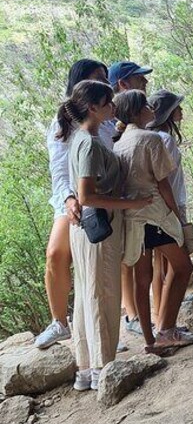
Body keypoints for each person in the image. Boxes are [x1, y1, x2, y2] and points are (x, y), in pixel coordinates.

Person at [56, 80, 152, 391]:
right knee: (103, 295)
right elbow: (86, 196)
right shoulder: (89, 144)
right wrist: (130, 204)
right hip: (100, 227)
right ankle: (102, 367)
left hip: (87, 229)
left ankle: (87, 369)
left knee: (88, 295)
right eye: (108, 102)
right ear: (93, 107)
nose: (113, 107)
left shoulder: (84, 139)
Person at [112, 90, 193, 351]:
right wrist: (177, 217)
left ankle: (151, 340)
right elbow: (163, 183)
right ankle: (167, 330)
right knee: (182, 266)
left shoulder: (118, 144)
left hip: (132, 219)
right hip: (155, 215)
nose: (152, 110)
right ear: (139, 111)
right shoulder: (151, 139)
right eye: (148, 106)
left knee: (143, 278)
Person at [36, 59, 114, 349]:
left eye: (105, 79)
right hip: (70, 197)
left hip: (101, 194)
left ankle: (105, 326)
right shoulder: (61, 123)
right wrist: (69, 198)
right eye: (97, 78)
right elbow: (58, 168)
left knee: (98, 265)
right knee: (56, 254)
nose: (104, 84)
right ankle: (59, 322)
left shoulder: (107, 121)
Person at [108, 61, 152, 337]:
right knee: (130, 257)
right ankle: (132, 314)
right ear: (123, 84)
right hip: (121, 200)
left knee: (138, 255)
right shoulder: (115, 124)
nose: (144, 83)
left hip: (127, 199)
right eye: (139, 79)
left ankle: (141, 313)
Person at [146, 90, 189, 324]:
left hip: (155, 208)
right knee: (177, 263)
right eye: (177, 107)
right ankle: (165, 322)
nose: (181, 110)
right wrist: (177, 212)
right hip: (169, 205)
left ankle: (158, 314)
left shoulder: (150, 138)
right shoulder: (165, 140)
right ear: (168, 113)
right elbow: (167, 179)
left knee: (158, 264)